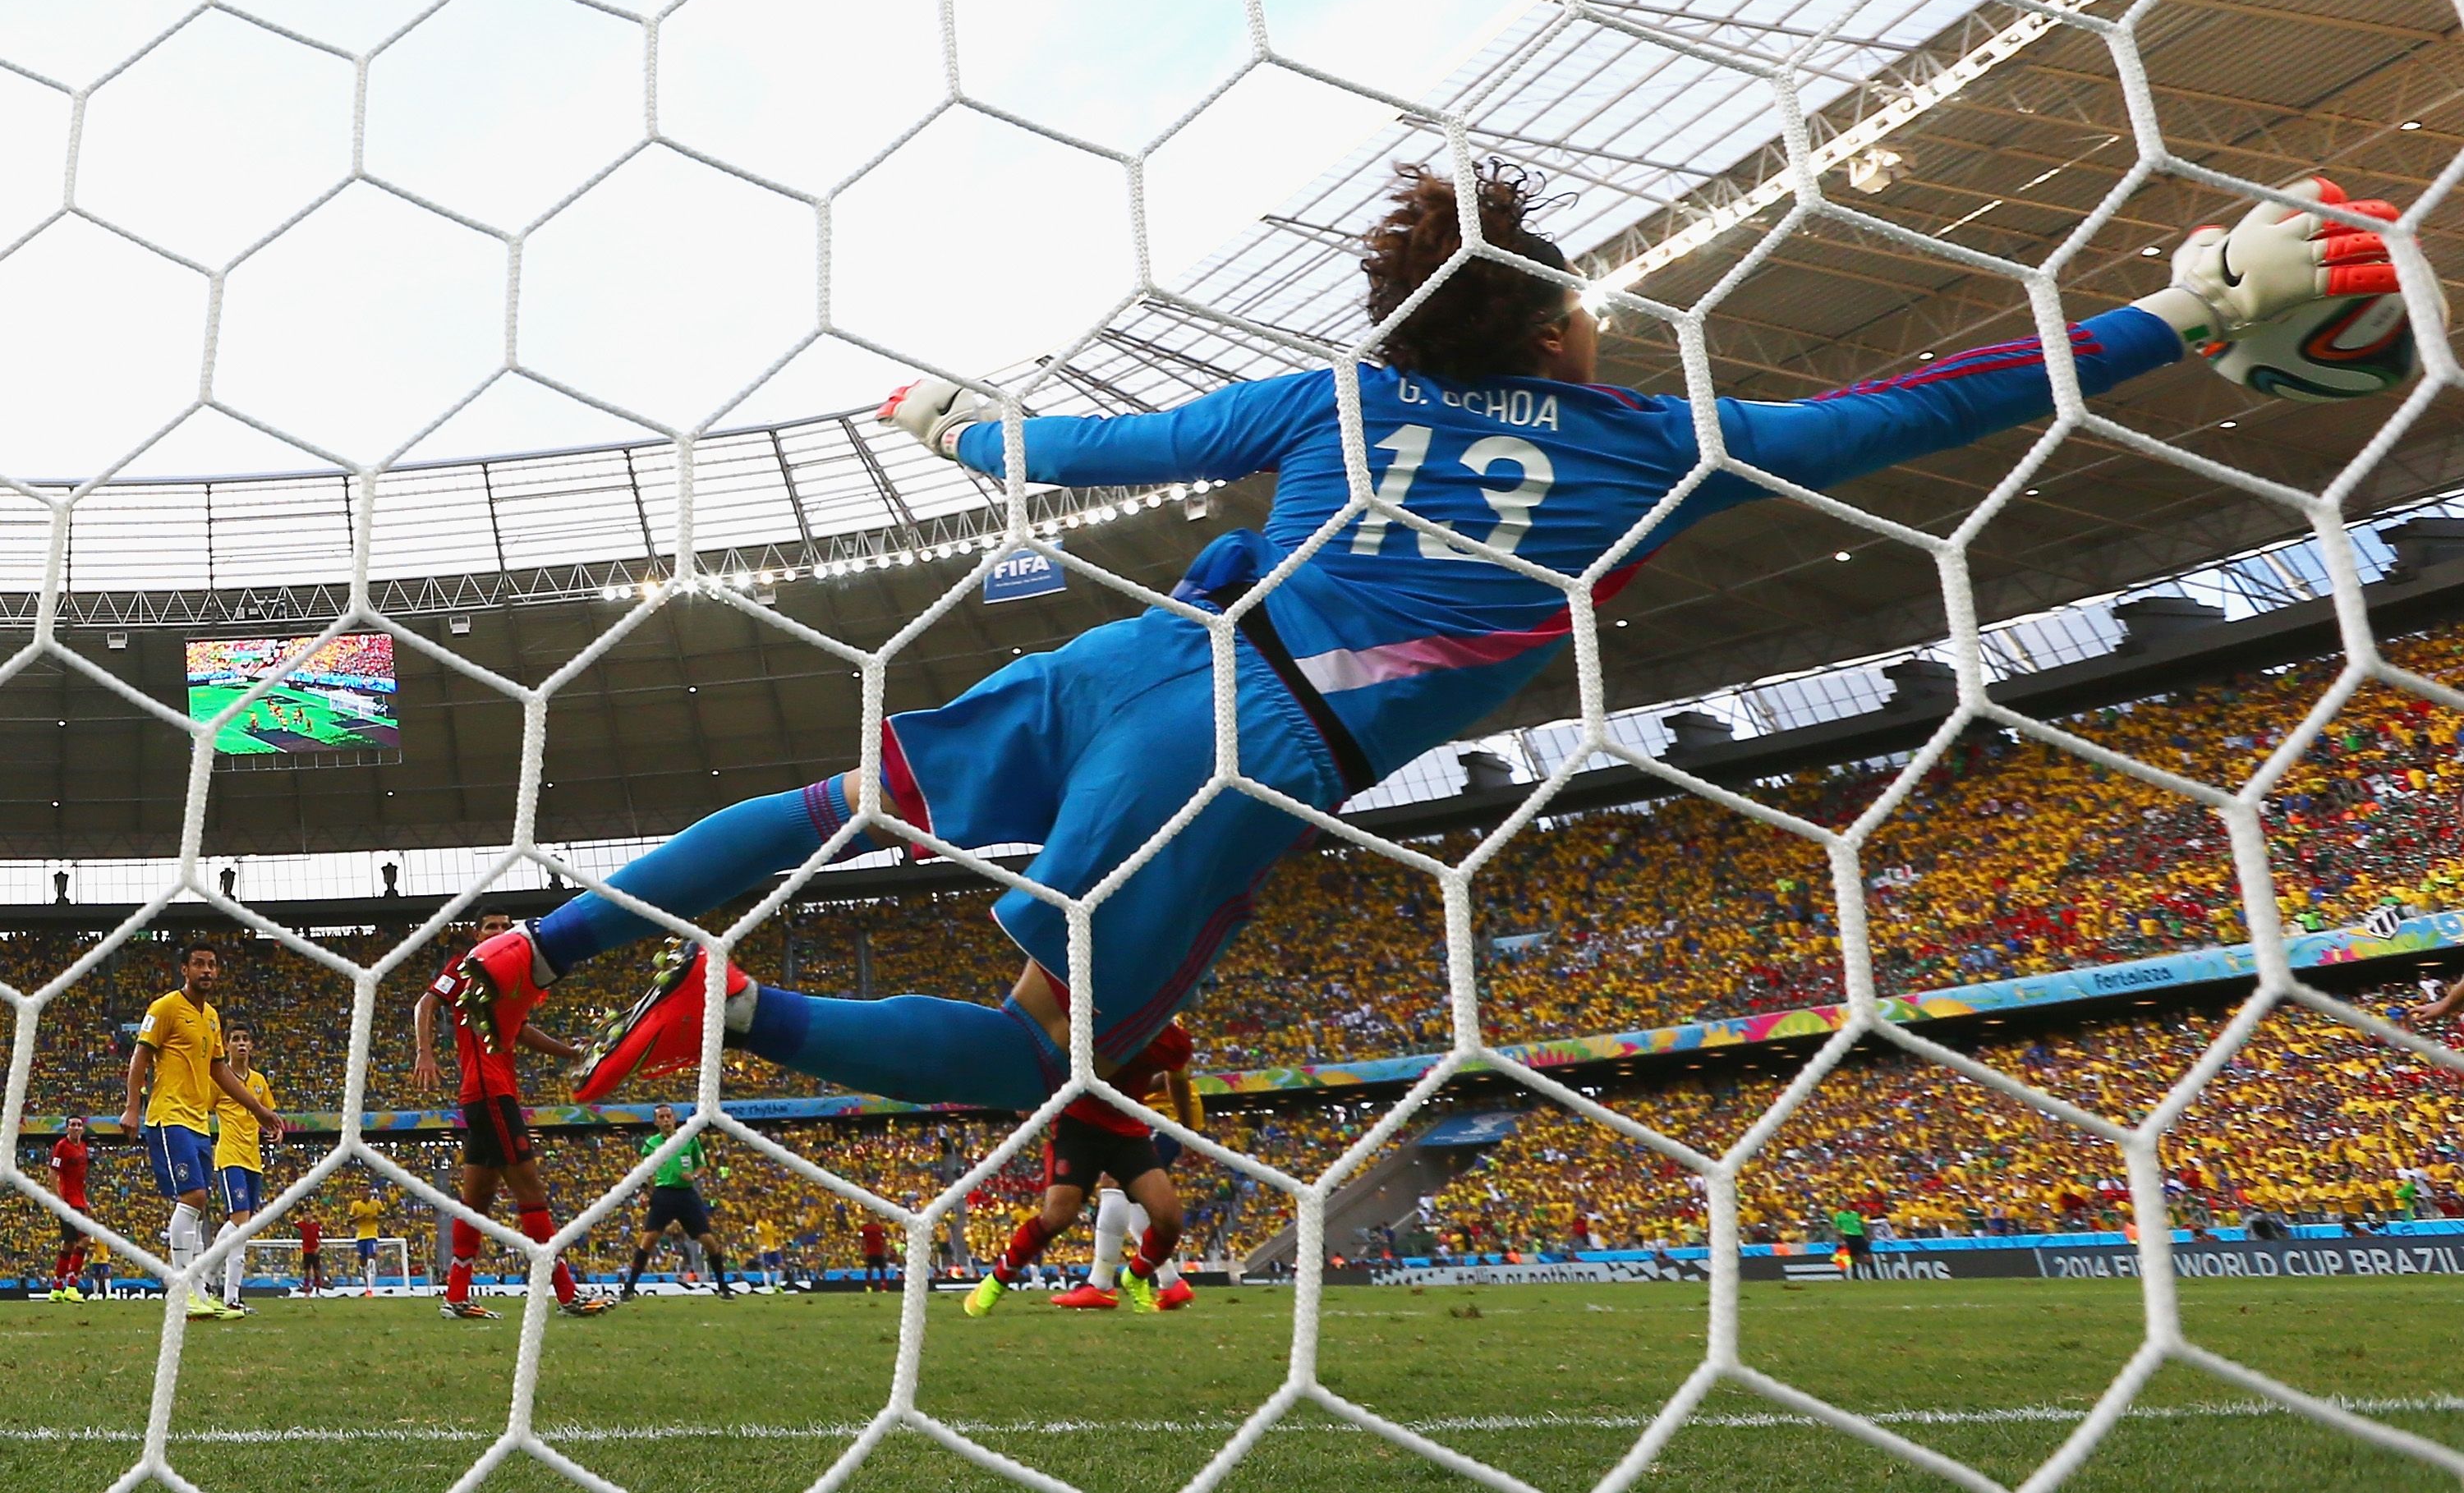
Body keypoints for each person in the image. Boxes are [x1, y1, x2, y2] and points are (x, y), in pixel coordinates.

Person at [444, 166, 2397, 1116]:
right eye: (1584, 306)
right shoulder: (1643, 447)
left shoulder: (1334, 402)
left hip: (1139, 661)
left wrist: (946, 420)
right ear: (1547, 328)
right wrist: (2179, 314)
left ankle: (541, 949)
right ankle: (747, 1017)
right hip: (1249, 746)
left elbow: (1069, 453)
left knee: (832, 800)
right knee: (1050, 1062)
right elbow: (1924, 409)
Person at [413, 936, 614, 1321]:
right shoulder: (465, 968)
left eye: (505, 926)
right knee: (531, 1192)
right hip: (491, 1095)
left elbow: (521, 1030)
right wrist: (425, 1051)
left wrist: (572, 1053)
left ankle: (456, 1296)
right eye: (490, 926)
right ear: (478, 934)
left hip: (488, 1097)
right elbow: (426, 1003)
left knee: (477, 1202)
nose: (498, 931)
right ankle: (567, 1293)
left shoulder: (509, 977)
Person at [966, 1022, 1192, 1317]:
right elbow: (1046, 1045)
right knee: (1058, 1216)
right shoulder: (1097, 1019)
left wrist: (1187, 1130)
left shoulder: (1172, 1039)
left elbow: (1176, 1079)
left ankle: (1135, 1276)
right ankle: (996, 1281)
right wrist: (1031, 1093)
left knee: (1170, 1220)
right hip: (1078, 1127)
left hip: (1128, 1132)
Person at [122, 943, 285, 1322]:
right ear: (185, 969)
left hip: (198, 1122)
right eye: (199, 964)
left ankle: (197, 1293)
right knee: (193, 1196)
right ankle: (181, 1290)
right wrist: (132, 1106)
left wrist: (259, 1109)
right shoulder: (164, 1008)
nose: (206, 970)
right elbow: (140, 1056)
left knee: (199, 1203)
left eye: (212, 965)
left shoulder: (211, 1017)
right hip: (168, 1116)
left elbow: (219, 1071)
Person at [1057, 1052, 1203, 1312]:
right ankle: (1171, 1283)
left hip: (1161, 1115)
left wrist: (1112, 1086)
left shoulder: (1145, 1033)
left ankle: (1100, 1285)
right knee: (1136, 1198)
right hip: (1152, 1115)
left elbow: (1170, 1075)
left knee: (1114, 1182)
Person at [618, 1105, 736, 1301]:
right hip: (664, 1194)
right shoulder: (651, 1144)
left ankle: (723, 1287)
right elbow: (645, 1171)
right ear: (656, 1122)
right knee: (648, 1240)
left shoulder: (688, 1139)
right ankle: (629, 1288)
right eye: (661, 1117)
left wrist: (694, 1176)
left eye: (668, 1116)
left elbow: (702, 1166)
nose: (666, 1120)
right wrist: (645, 1192)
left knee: (709, 1241)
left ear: (674, 1119)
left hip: (686, 1194)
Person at [209, 1026, 276, 1314]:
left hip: (253, 1160)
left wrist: (276, 1131)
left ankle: (207, 1275)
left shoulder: (259, 1081)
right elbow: (202, 1107)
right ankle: (230, 1297)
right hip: (230, 1157)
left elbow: (269, 1115)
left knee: (241, 1224)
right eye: (235, 1039)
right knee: (240, 1222)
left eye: (245, 1040)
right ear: (226, 1045)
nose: (241, 1044)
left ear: (252, 1046)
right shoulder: (218, 1080)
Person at [46, 1114, 90, 1303]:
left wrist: (85, 1202)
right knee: (85, 1239)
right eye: (72, 1125)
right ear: (67, 1128)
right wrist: (59, 1200)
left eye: (79, 1125)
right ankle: (71, 1286)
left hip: (79, 1201)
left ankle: (57, 1289)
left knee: (69, 1243)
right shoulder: (62, 1147)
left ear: (83, 1129)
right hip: (68, 1202)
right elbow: (52, 1173)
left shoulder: (83, 1147)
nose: (76, 1127)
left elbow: (80, 1179)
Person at [347, 1187, 387, 1297]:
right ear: (359, 1193)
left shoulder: (376, 1203)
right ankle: (366, 1280)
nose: (364, 1192)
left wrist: (376, 1218)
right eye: (362, 1190)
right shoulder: (356, 1205)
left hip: (372, 1235)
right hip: (361, 1236)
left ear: (369, 1192)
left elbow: (386, 1216)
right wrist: (359, 1217)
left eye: (366, 1190)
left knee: (371, 1260)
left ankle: (369, 1290)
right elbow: (348, 1221)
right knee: (363, 1263)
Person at [858, 1216, 890, 1292]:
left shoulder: (879, 1228)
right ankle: (869, 1287)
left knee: (881, 1270)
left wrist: (886, 1249)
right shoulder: (864, 1228)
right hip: (870, 1252)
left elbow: (884, 1239)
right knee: (870, 1269)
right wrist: (862, 1250)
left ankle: (883, 1287)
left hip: (879, 1252)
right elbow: (862, 1239)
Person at [752, 1216, 784, 1290]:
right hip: (764, 1249)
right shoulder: (758, 1224)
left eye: (766, 1212)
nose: (764, 1214)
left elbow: (773, 1236)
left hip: (773, 1248)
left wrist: (777, 1245)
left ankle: (777, 1286)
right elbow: (758, 1236)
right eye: (763, 1213)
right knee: (767, 1268)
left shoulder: (770, 1223)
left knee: (783, 1266)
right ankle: (768, 1287)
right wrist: (762, 1246)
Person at [297, 1210, 324, 1298]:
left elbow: (320, 1239)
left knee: (317, 1271)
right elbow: (292, 1223)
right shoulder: (302, 1224)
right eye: (306, 1214)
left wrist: (318, 1248)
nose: (307, 1216)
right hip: (306, 1251)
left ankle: (318, 1291)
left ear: (311, 1215)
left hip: (315, 1251)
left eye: (309, 1214)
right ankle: (307, 1291)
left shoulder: (316, 1226)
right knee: (307, 1271)